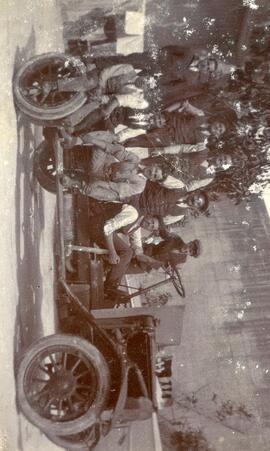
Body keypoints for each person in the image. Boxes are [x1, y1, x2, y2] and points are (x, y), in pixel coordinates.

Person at [123, 100, 237, 148]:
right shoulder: (201, 115)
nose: (217, 128)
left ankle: (121, 143)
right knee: (135, 124)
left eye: (220, 130)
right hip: (166, 121)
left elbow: (183, 148)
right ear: (217, 121)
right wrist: (165, 112)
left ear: (218, 135)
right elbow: (183, 103)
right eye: (219, 125)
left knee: (136, 142)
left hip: (167, 138)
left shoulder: (202, 142)